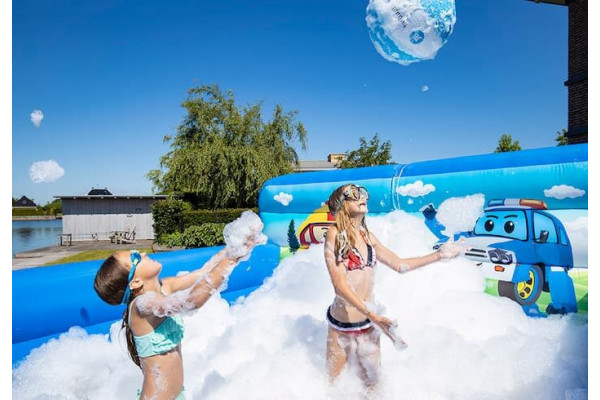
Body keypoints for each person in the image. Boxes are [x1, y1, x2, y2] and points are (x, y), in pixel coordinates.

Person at [94, 212, 265, 399]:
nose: (142, 253)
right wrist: (231, 258)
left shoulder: (164, 286)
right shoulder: (142, 305)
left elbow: (203, 273)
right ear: (134, 283)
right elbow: (191, 301)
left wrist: (238, 244)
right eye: (135, 257)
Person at [323, 184, 464, 390]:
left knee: (373, 387)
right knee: (334, 386)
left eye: (362, 193)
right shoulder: (335, 234)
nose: (361, 196)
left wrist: (440, 255)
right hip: (341, 326)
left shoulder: (368, 237)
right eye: (353, 194)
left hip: (368, 325)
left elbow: (400, 265)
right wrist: (374, 316)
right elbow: (340, 287)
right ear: (341, 204)